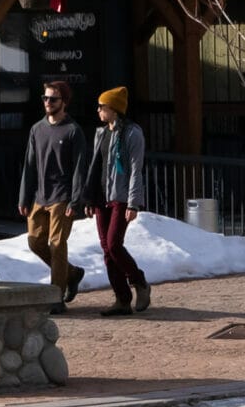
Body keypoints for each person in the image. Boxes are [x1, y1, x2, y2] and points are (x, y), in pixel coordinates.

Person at [80, 85, 152, 316]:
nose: (98, 110)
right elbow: (95, 167)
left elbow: (135, 170)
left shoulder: (132, 133)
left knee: (114, 245)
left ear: (114, 109)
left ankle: (139, 281)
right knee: (106, 250)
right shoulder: (101, 133)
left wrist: (133, 203)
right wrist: (90, 199)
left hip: (121, 197)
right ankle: (122, 299)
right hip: (102, 197)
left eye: (102, 106)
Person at [15, 79, 86, 306]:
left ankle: (56, 296)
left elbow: (79, 169)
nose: (47, 102)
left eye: (53, 99)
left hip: (62, 196)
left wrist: (75, 201)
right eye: (45, 98)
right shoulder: (37, 129)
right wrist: (24, 197)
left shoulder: (73, 131)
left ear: (64, 102)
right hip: (39, 195)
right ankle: (72, 273)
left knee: (57, 245)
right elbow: (29, 165)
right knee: (35, 241)